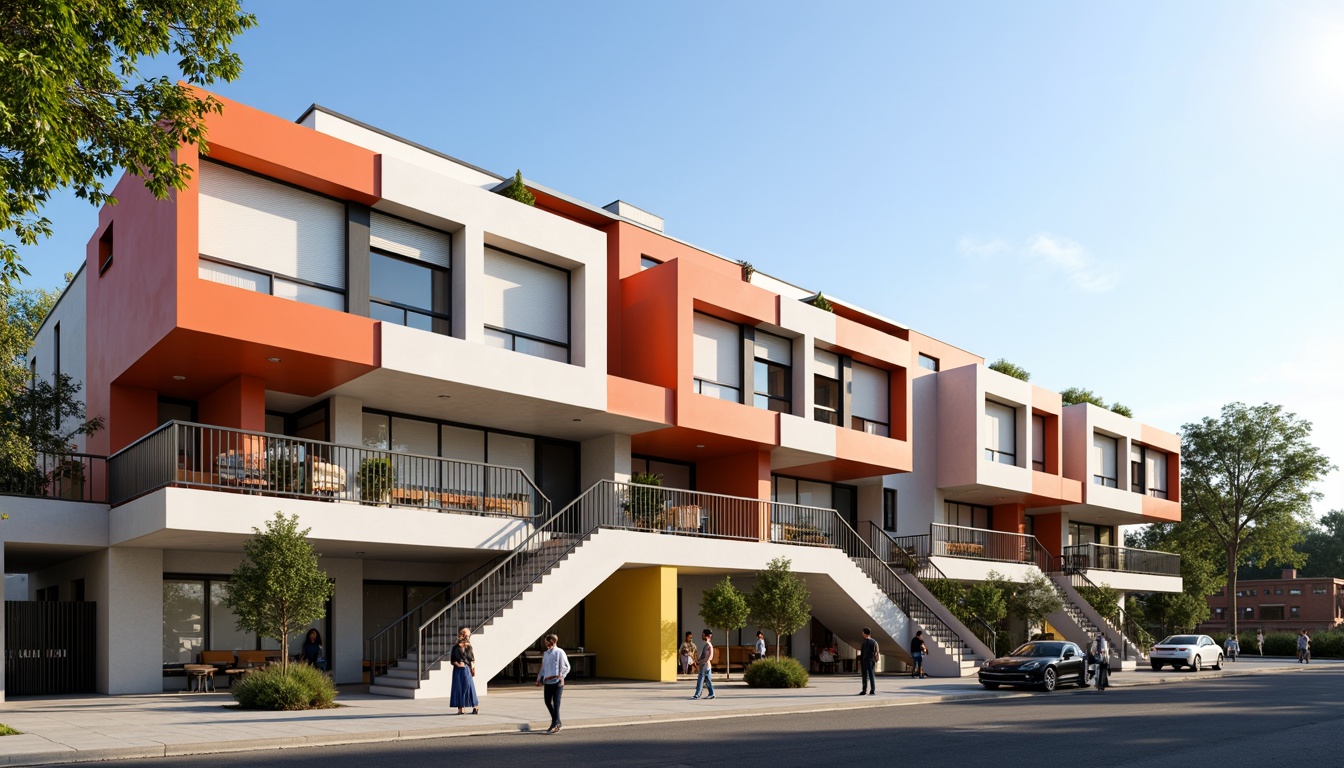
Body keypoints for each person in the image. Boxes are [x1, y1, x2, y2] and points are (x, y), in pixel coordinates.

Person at [535, 633, 570, 733]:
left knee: (556, 703)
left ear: (553, 641)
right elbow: (543, 667)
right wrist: (538, 679)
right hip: (547, 681)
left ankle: (555, 724)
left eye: (548, 642)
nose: (546, 644)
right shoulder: (546, 654)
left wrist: (562, 676)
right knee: (547, 701)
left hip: (557, 682)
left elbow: (567, 667)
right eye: (545, 642)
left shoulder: (559, 652)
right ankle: (557, 721)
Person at [450, 627, 478, 715]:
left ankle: (475, 706)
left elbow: (472, 659)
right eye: (466, 635)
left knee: (469, 687)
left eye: (468, 635)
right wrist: (458, 664)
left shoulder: (469, 647)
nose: (468, 637)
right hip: (458, 670)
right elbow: (452, 659)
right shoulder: (455, 648)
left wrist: (473, 668)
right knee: (458, 688)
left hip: (466, 669)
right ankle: (461, 708)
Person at [691, 629, 716, 700]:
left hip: (705, 665)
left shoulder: (707, 645)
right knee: (708, 680)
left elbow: (708, 656)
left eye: (703, 634)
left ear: (705, 635)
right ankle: (712, 693)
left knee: (700, 679)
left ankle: (697, 694)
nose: (702, 636)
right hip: (707, 665)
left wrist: (700, 662)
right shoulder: (708, 644)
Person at [858, 628, 879, 695]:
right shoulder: (874, 642)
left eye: (863, 633)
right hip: (871, 660)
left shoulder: (864, 642)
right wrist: (876, 660)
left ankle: (864, 690)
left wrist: (861, 660)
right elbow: (877, 652)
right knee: (871, 675)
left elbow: (862, 652)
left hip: (865, 660)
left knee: (865, 676)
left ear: (864, 634)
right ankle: (872, 690)